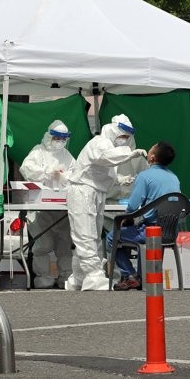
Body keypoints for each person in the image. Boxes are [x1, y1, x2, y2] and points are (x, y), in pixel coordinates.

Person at [64, 114, 148, 291]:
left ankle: (80, 276)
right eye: (123, 135)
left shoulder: (109, 146)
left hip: (95, 191)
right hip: (83, 190)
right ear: (113, 129)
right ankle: (93, 275)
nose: (124, 140)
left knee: (92, 234)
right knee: (85, 233)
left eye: (127, 137)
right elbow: (105, 157)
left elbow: (101, 171)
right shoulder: (100, 142)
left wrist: (119, 179)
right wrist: (130, 153)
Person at [106, 141, 180, 291]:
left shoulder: (145, 176)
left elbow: (132, 206)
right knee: (137, 233)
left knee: (111, 238)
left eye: (151, 147)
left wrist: (126, 219)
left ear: (151, 157)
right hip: (170, 233)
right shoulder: (174, 177)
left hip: (150, 231)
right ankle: (140, 277)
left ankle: (131, 276)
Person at [18, 120, 76, 289]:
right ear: (49, 136)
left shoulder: (67, 155)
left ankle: (66, 276)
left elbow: (77, 172)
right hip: (40, 207)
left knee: (64, 244)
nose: (60, 142)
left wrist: (65, 177)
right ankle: (43, 277)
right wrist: (46, 172)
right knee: (43, 245)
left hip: (61, 208)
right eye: (57, 138)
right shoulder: (38, 151)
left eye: (64, 139)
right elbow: (26, 169)